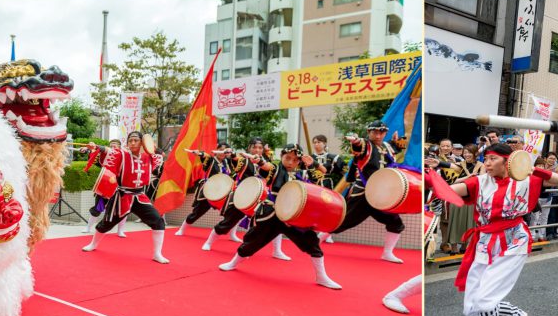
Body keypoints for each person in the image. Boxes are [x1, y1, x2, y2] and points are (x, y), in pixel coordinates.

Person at [443, 142, 558, 316]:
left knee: (485, 301)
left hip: (514, 239)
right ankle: (515, 314)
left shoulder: (525, 179)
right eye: (486, 159)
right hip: (485, 241)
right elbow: (448, 192)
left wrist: (527, 167)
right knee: (471, 306)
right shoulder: (480, 181)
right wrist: (431, 180)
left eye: (493, 159)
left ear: (507, 161)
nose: (488, 163)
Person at [218, 144, 342, 289]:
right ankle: (233, 263)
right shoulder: (276, 170)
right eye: (287, 158)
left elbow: (323, 171)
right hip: (272, 214)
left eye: (295, 160)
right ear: (281, 157)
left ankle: (321, 276)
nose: (290, 162)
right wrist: (258, 160)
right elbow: (266, 166)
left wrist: (312, 163)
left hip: (295, 217)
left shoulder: (302, 174)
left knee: (312, 243)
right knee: (252, 241)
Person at [317, 121, 407, 263]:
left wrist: (397, 140)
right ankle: (317, 240)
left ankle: (387, 253)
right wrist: (355, 140)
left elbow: (397, 147)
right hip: (363, 193)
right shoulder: (366, 145)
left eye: (381, 132)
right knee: (345, 221)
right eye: (374, 132)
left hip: (381, 193)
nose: (377, 135)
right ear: (369, 132)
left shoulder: (387, 146)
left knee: (395, 222)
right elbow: (358, 146)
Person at [81, 131, 169, 263]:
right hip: (122, 196)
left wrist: (149, 144)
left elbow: (160, 154)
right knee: (106, 224)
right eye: (130, 140)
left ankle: (157, 254)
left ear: (142, 143)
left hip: (140, 196)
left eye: (136, 140)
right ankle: (93, 244)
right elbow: (109, 151)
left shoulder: (148, 156)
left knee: (158, 221)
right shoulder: (121, 154)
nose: (132, 143)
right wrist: (97, 147)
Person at [174, 143, 233, 236]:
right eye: (221, 150)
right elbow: (205, 155)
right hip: (209, 191)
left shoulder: (227, 162)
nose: (222, 153)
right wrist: (200, 153)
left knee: (232, 213)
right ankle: (182, 229)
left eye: (224, 151)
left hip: (222, 193)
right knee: (197, 213)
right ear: (216, 150)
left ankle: (232, 234)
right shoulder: (211, 160)